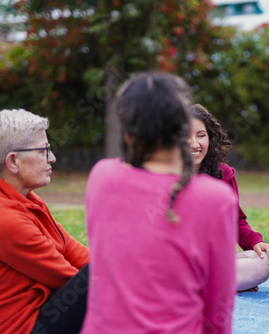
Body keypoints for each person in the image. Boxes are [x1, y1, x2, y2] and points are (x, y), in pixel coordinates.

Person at [81, 72, 238, 333]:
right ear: (184, 130)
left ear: (129, 135)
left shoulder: (101, 177)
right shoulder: (215, 199)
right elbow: (218, 310)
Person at [0, 109, 89, 334]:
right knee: (102, 277)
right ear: (13, 161)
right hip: (22, 327)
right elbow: (71, 282)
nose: (52, 158)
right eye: (44, 150)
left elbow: (75, 253)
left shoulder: (24, 200)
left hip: (39, 314)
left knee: (105, 267)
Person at [189, 104, 269, 292]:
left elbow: (236, 221)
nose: (194, 144)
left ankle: (198, 284)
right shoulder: (162, 175)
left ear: (210, 138)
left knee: (265, 262)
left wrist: (256, 242)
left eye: (200, 135)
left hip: (213, 263)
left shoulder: (223, 174)